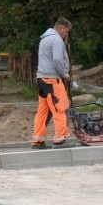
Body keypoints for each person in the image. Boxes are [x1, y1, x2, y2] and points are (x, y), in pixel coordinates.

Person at [31, 18, 73, 149]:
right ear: (61, 29)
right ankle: (60, 139)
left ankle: (38, 140)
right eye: (66, 32)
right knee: (60, 108)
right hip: (52, 79)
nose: (66, 34)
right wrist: (64, 74)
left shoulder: (44, 39)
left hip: (42, 79)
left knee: (42, 111)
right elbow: (57, 59)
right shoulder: (56, 39)